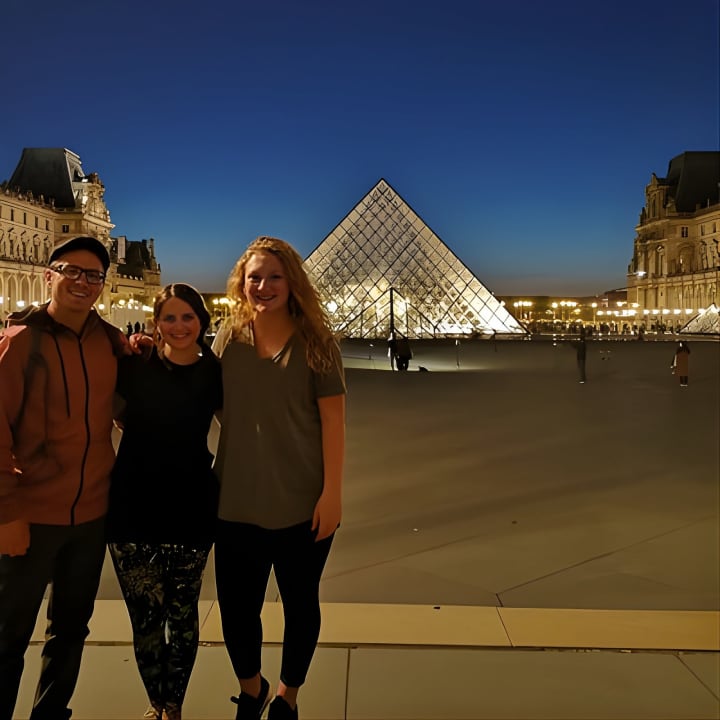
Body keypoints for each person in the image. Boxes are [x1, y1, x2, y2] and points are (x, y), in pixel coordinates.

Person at [211, 236, 345, 720]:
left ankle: (287, 696)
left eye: (274, 277)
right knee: (236, 610)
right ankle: (252, 689)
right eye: (254, 277)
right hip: (235, 500)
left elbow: (334, 422)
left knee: (301, 606)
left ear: (292, 283)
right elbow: (204, 399)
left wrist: (332, 495)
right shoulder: (227, 338)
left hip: (303, 502)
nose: (263, 286)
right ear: (241, 283)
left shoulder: (317, 343)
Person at [0, 236, 125, 720]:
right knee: (7, 637)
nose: (82, 282)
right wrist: (7, 514)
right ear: (49, 275)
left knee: (71, 631)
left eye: (93, 275)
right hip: (30, 517)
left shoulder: (109, 342)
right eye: (71, 270)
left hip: (90, 518)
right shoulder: (20, 343)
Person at [106, 284, 222, 720]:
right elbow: (109, 414)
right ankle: (157, 703)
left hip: (191, 506)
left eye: (187, 317)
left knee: (182, 615)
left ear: (202, 322)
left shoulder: (215, 372)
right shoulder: (135, 366)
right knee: (145, 619)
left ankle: (174, 704)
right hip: (131, 506)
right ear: (156, 322)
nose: (178, 326)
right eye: (169, 318)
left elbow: (243, 427)